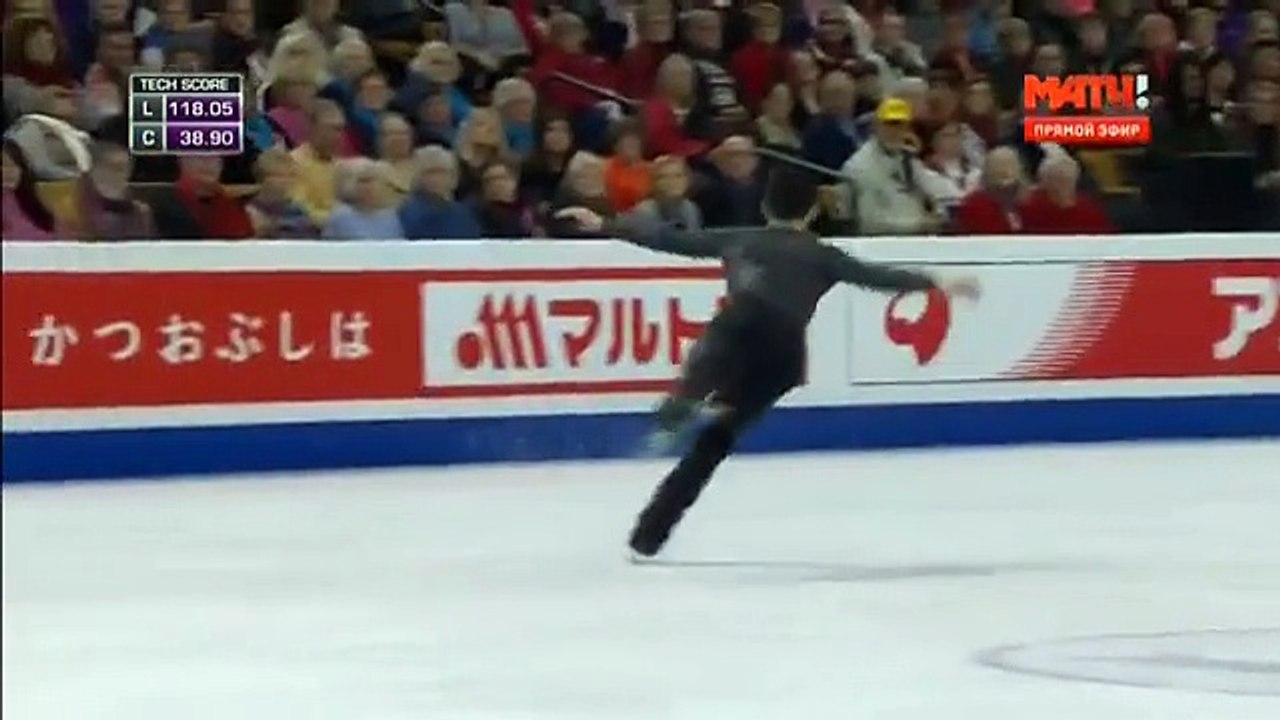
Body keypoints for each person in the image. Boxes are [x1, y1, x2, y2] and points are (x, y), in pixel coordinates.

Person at [554, 166, 981, 558]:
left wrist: (605, 224)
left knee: (723, 337)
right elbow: (879, 278)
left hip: (741, 327)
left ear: (764, 206)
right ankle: (649, 535)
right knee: (715, 443)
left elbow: (670, 239)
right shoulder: (822, 255)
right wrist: (938, 284)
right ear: (813, 211)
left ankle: (684, 402)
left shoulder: (740, 239)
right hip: (782, 355)